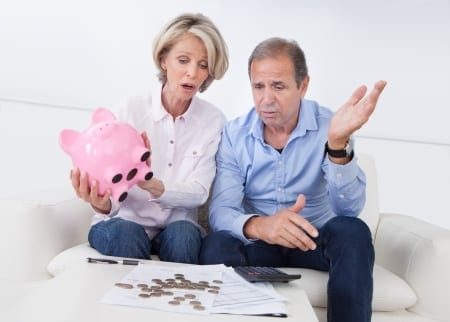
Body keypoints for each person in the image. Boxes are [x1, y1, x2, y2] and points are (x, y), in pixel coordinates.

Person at [200, 37, 387, 322]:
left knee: (353, 231)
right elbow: (221, 211)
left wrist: (337, 145)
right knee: (216, 243)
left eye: (278, 86)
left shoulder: (332, 126)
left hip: (313, 241)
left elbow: (348, 210)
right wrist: (262, 225)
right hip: (260, 244)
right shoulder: (235, 134)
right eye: (258, 86)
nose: (266, 99)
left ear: (303, 85)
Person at [70, 13, 229, 264]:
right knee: (127, 233)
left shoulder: (213, 120)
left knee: (184, 236)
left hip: (175, 227)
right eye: (183, 60)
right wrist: (101, 202)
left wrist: (151, 184)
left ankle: (179, 301)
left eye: (203, 64)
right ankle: (131, 302)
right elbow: (108, 192)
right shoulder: (130, 110)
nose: (192, 73)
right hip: (123, 222)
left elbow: (199, 192)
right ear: (164, 59)